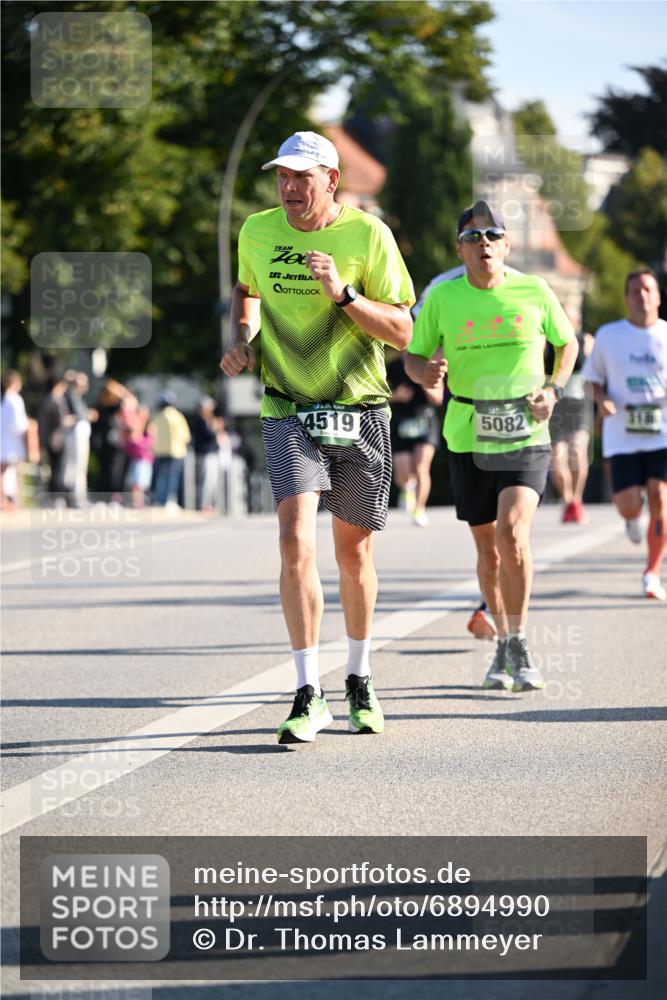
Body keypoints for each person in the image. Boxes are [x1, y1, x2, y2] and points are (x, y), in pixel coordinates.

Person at [220, 130, 414, 744]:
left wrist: (345, 295)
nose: (289, 187)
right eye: (282, 176)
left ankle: (358, 676)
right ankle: (309, 689)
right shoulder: (258, 230)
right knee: (293, 538)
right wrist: (242, 339)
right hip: (287, 406)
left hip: (359, 407)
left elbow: (403, 331)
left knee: (354, 554)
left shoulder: (367, 236)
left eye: (302, 177)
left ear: (331, 180)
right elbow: (246, 292)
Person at [405, 200, 578, 692]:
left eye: (492, 235)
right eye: (473, 237)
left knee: (514, 534)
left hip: (525, 433)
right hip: (466, 433)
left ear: (507, 245)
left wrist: (554, 389)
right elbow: (413, 357)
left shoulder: (534, 290)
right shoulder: (443, 298)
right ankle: (503, 641)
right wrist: (425, 372)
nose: (483, 244)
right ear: (459, 248)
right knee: (488, 550)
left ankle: (519, 640)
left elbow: (567, 344)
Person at [583, 269, 667, 600]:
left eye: (647, 289)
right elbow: (592, 378)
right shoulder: (609, 336)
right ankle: (632, 519)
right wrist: (602, 400)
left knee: (660, 499)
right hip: (622, 436)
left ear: (658, 296)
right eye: (635, 290)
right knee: (630, 506)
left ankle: (651, 572)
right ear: (626, 298)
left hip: (662, 433)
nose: (641, 296)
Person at [546, 307, 595, 523]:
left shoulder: (586, 340)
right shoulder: (547, 344)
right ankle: (567, 501)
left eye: (571, 318)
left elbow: (597, 374)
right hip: (557, 405)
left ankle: (576, 500)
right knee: (557, 457)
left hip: (580, 405)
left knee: (577, 451)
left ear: (577, 321)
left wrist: (602, 404)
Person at [386, 351, 442, 526]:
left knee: (421, 468)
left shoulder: (430, 364)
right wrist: (396, 396)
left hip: (425, 421)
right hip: (401, 422)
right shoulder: (393, 365)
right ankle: (407, 488)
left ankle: (419, 509)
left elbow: (438, 399)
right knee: (402, 472)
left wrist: (425, 383)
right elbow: (380, 396)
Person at [150, 391, 191, 507]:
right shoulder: (177, 416)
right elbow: (186, 436)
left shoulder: (156, 416)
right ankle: (169, 500)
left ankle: (159, 500)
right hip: (175, 451)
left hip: (158, 451)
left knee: (160, 477)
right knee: (172, 477)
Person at [0, 369, 29, 510]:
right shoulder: (15, 400)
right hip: (12, 442)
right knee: (11, 473)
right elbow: (20, 424)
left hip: (4, 441)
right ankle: (10, 501)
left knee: (4, 472)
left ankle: (5, 500)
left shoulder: (4, 399)